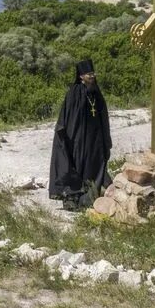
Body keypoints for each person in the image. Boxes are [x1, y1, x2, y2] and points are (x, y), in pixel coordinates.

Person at [49, 59, 113, 209]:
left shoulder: (96, 93)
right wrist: (70, 137)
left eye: (93, 73)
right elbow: (69, 118)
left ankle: (90, 197)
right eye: (88, 74)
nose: (92, 76)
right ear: (81, 76)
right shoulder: (74, 93)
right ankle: (73, 199)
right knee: (77, 165)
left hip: (95, 138)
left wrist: (105, 138)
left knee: (95, 163)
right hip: (77, 139)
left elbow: (102, 115)